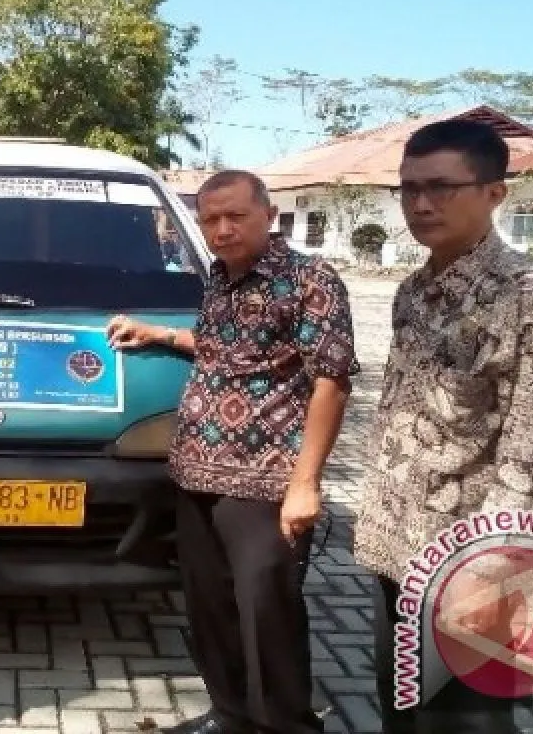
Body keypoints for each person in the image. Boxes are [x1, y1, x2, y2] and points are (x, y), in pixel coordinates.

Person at [107, 170, 358, 734]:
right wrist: (160, 335)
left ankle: (284, 725)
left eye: (236, 216)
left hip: (266, 485)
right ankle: (231, 716)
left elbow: (332, 381)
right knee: (211, 611)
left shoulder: (310, 280)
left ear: (269, 215)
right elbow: (226, 347)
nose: (222, 229)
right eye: (211, 219)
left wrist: (305, 484)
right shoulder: (221, 277)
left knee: (267, 617)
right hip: (196, 476)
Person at [353, 120, 533, 733]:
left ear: (494, 193)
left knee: (464, 723)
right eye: (409, 188)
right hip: (398, 545)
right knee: (400, 707)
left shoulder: (530, 295)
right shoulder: (412, 292)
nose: (421, 204)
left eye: (442, 187)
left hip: (469, 562)